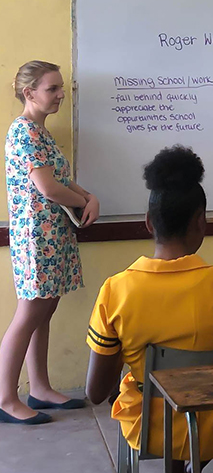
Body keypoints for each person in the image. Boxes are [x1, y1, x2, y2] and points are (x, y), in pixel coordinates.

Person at [84, 146, 213, 473]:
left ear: (149, 222)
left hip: (150, 428)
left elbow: (95, 392)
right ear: (201, 222)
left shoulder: (116, 289)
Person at [0, 61, 100, 424]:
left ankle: (39, 388)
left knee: (45, 310)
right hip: (36, 238)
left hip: (52, 235)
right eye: (52, 89)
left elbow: (63, 181)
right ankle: (5, 398)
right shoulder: (24, 132)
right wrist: (83, 201)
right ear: (29, 93)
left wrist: (90, 197)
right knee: (29, 313)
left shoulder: (41, 133)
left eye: (61, 88)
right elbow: (48, 188)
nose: (60, 95)